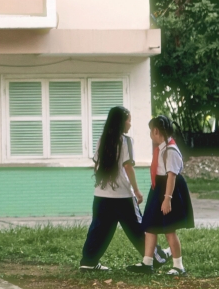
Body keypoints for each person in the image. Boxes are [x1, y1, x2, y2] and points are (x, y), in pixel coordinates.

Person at [78, 105, 145, 271]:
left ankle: (88, 262)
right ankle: (153, 258)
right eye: (129, 120)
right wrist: (136, 191)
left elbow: (97, 165)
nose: (130, 124)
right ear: (122, 122)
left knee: (98, 229)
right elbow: (128, 167)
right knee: (138, 228)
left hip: (101, 195)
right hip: (122, 195)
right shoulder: (126, 141)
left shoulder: (102, 139)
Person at [139, 116, 194, 275]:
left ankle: (178, 266)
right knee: (150, 226)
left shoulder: (171, 150)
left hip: (168, 190)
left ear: (155, 131)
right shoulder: (162, 148)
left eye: (151, 131)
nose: (150, 134)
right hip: (158, 188)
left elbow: (172, 176)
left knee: (169, 229)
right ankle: (147, 262)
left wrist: (167, 199)